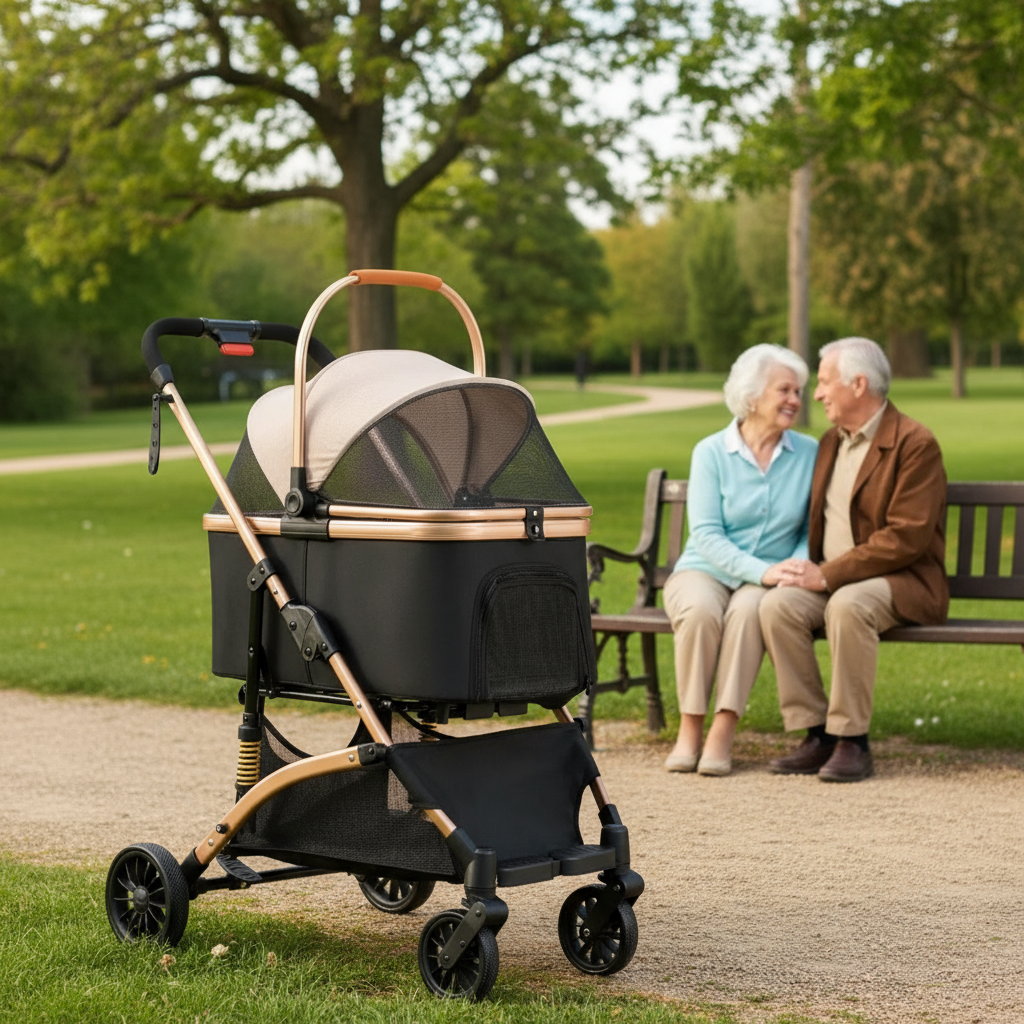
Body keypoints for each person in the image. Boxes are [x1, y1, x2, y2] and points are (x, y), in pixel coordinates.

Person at [760, 337, 948, 783]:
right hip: (835, 580)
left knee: (849, 605)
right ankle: (818, 733)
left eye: (825, 382)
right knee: (776, 606)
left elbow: (907, 537)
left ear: (858, 384)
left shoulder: (915, 444)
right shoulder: (830, 441)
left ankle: (853, 741)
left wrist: (826, 574)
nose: (818, 393)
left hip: (903, 580)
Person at [663, 344, 818, 777]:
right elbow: (707, 535)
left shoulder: (810, 453)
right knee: (699, 612)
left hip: (771, 577)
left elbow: (812, 529)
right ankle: (690, 727)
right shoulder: (710, 452)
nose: (794, 399)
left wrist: (795, 567)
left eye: (799, 391)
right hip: (705, 568)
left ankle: (723, 730)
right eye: (784, 389)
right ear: (752, 395)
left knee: (750, 611)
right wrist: (761, 570)